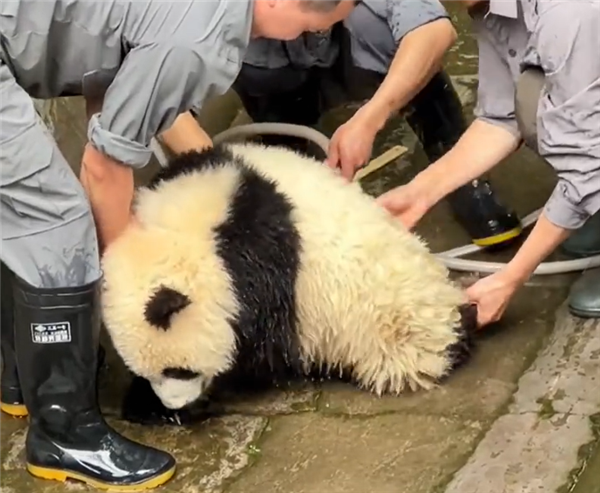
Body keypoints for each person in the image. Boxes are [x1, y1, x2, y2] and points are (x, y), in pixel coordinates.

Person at [0, 0, 358, 489]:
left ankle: (23, 375)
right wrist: (121, 264)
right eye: (316, 24)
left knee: (23, 209)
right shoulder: (200, 38)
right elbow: (103, 167)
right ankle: (65, 435)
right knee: (58, 223)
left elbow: (117, 94)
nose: (310, 38)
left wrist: (242, 187)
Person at [376, 0, 600, 325]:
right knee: (532, 99)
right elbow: (501, 116)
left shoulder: (568, 12)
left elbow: (587, 165)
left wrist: (509, 279)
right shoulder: (489, 7)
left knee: (566, 135)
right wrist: (419, 192)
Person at [232, 0, 524, 249]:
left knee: (401, 42)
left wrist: (371, 117)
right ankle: (292, 170)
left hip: (356, 53)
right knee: (250, 65)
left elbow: (434, 32)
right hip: (278, 67)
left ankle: (458, 167)